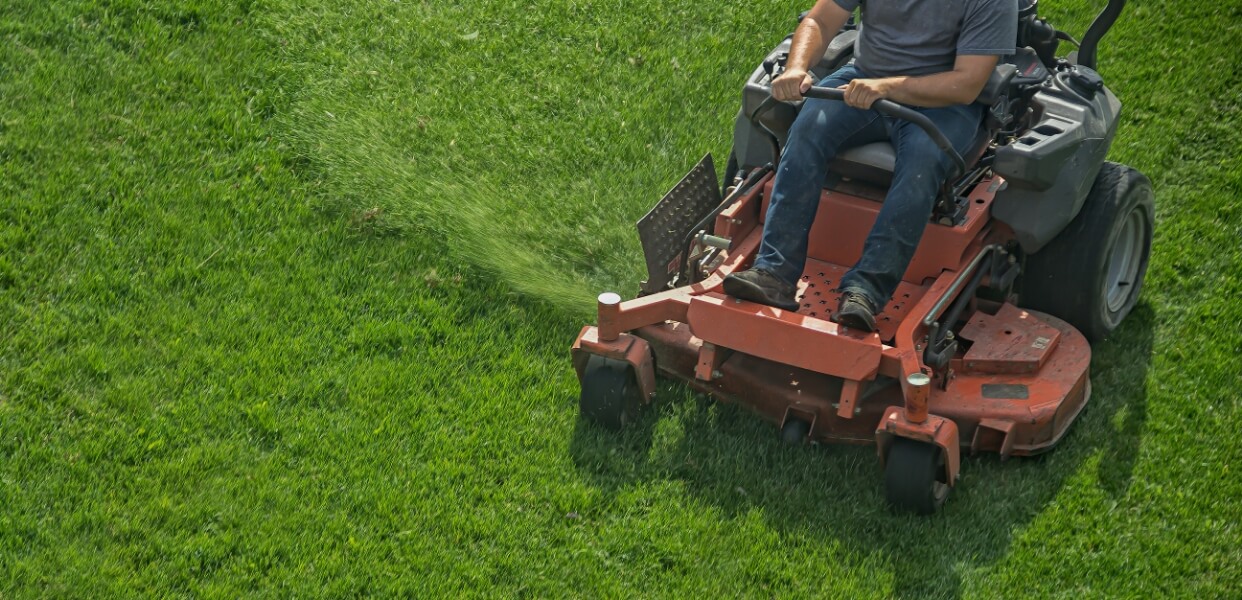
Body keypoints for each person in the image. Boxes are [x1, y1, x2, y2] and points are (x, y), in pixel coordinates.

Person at [722, 0, 1017, 331]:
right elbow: (819, 22)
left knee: (922, 163)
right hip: (864, 79)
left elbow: (966, 84)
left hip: (944, 104)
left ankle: (865, 291)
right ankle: (774, 272)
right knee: (807, 129)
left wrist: (885, 88)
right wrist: (796, 66)